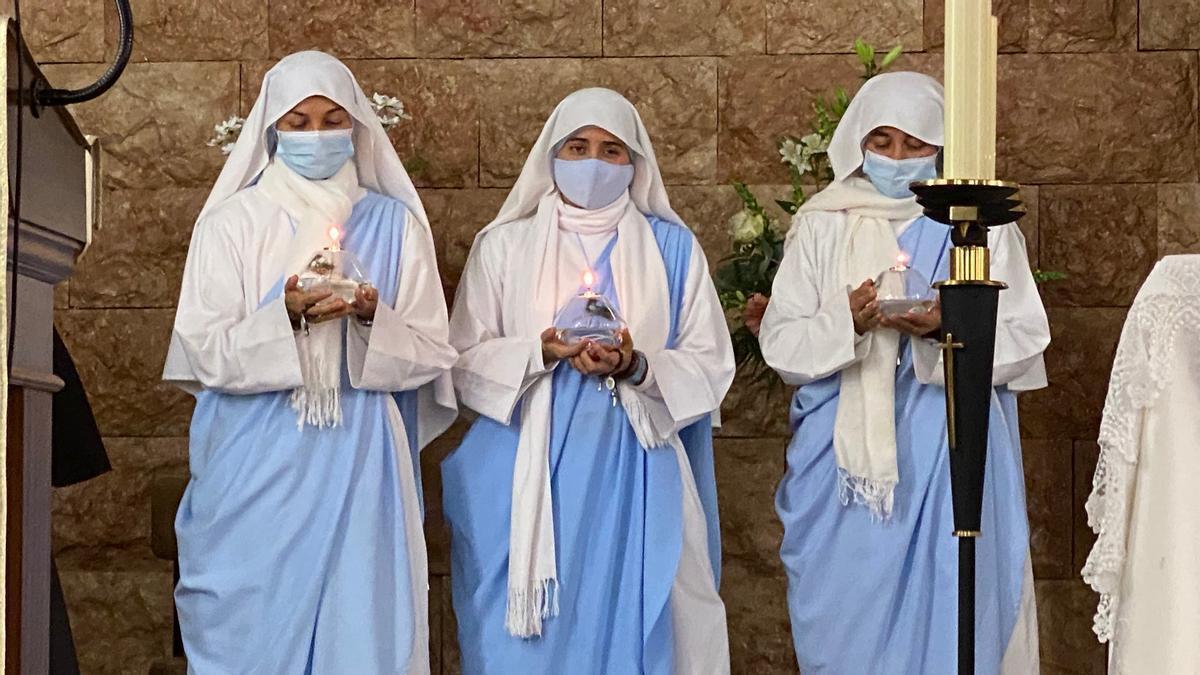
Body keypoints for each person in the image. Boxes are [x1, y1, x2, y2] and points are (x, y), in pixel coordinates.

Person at [161, 51, 457, 673]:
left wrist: (374, 317)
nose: (316, 135)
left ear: (358, 127)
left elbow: (432, 348)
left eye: (331, 119)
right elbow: (202, 346)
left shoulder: (396, 225)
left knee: (362, 630)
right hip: (254, 454)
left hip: (360, 456)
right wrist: (287, 318)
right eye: (298, 122)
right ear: (271, 129)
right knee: (250, 632)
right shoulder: (232, 223)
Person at [758, 72, 1048, 673]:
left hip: (948, 446)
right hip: (841, 467)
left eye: (915, 143)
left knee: (951, 608)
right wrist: (849, 321)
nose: (896, 158)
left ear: (941, 147)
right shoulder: (823, 221)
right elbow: (782, 342)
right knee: (842, 625)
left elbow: (1025, 338)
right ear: (857, 143)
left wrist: (951, 328)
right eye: (882, 141)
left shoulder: (979, 223)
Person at [442, 88, 734, 675]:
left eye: (611, 151)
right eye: (577, 147)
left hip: (636, 471)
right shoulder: (503, 247)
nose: (593, 163)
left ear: (635, 164)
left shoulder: (671, 248)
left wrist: (636, 365)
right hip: (524, 468)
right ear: (551, 157)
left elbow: (710, 360)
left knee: (644, 621)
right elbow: (460, 361)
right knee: (524, 644)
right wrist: (538, 352)